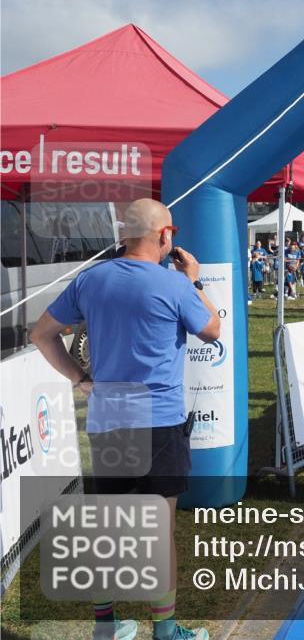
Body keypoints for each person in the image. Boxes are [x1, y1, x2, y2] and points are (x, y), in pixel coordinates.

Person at [30, 199, 219, 640]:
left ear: (122, 234)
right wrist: (195, 280)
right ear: (165, 236)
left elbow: (40, 334)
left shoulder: (91, 279)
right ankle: (166, 631)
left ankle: (106, 627)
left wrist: (81, 378)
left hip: (108, 421)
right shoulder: (174, 285)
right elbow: (212, 329)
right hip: (159, 423)